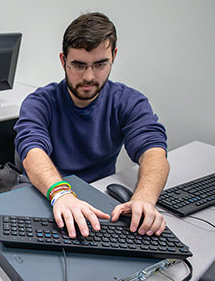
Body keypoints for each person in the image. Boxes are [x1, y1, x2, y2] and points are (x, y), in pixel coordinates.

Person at [14, 12, 169, 240]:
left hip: (97, 192)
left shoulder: (129, 101)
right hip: (46, 191)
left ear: (113, 57)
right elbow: (32, 150)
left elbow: (154, 151)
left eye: (100, 64)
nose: (89, 76)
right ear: (63, 60)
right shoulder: (40, 102)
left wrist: (144, 199)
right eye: (78, 65)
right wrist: (60, 193)